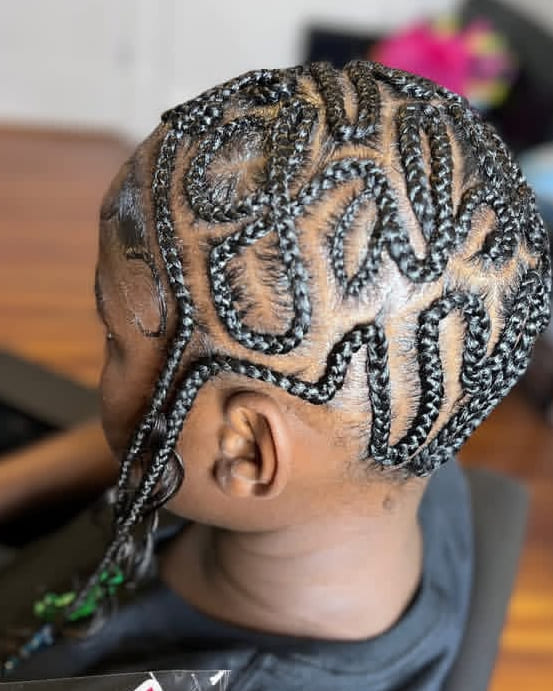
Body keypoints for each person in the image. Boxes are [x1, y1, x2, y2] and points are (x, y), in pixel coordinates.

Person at [0, 61, 550, 690]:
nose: (105, 350)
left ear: (245, 451)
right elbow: (156, 430)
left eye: (113, 341)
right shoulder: (394, 432)